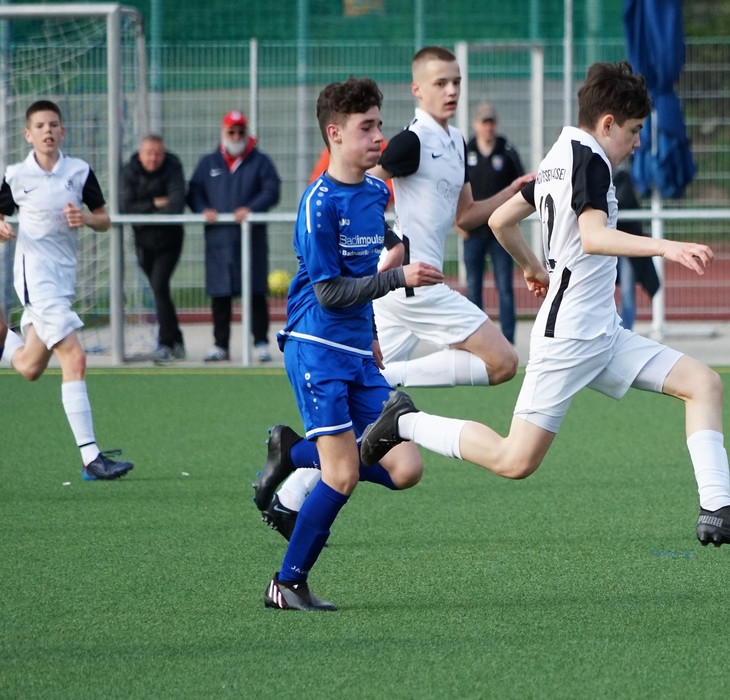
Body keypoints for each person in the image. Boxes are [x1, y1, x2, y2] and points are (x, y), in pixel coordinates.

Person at [360, 61, 730, 551]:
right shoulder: (590, 159)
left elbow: (501, 220)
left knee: (703, 383)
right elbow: (593, 236)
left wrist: (532, 266)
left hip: (601, 332)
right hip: (568, 338)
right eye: (634, 130)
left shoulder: (558, 155)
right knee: (513, 461)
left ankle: (717, 509)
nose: (637, 142)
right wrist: (665, 247)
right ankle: (404, 421)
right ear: (607, 123)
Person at [261, 77, 443, 611]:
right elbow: (331, 292)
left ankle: (293, 452)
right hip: (315, 347)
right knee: (340, 474)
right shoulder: (317, 204)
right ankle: (286, 583)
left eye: (379, 125)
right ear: (335, 134)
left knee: (406, 469)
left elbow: (367, 265)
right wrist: (399, 277)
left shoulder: (375, 193)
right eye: (366, 128)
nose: (378, 136)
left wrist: (375, 336)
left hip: (358, 350)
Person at [366, 46, 535, 389]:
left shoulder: (457, 141)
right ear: (417, 89)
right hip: (414, 283)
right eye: (441, 83)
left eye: (456, 82)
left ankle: (309, 434)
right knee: (503, 362)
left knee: (366, 389)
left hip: (403, 287)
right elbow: (358, 190)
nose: (452, 91)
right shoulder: (412, 141)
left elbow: (466, 216)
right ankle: (391, 378)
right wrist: (391, 242)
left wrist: (511, 191)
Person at [0, 100, 134, 480]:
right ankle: (91, 457)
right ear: (28, 134)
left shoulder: (79, 171)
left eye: (53, 124)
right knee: (75, 357)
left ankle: (3, 339)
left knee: (30, 367)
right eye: (40, 125)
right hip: (35, 280)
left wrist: (87, 217)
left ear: (62, 131)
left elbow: (105, 219)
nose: (48, 130)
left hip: (62, 282)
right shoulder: (15, 176)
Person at [187, 110, 281, 363]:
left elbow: (272, 190)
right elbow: (194, 191)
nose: (236, 136)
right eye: (232, 131)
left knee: (255, 293)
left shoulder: (260, 161)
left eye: (241, 131)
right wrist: (203, 209)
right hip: (218, 240)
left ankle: (261, 343)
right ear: (224, 132)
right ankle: (221, 345)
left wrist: (251, 209)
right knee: (220, 294)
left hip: (251, 240)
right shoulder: (209, 163)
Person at [460, 102, 525, 344]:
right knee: (473, 287)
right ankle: (479, 340)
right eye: (483, 123)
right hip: (472, 232)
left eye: (491, 123)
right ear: (476, 124)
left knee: (504, 286)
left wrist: (513, 221)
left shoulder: (506, 151)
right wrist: (458, 222)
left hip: (500, 234)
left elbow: (522, 189)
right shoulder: (465, 151)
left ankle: (508, 339)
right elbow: (454, 190)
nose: (488, 127)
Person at [120, 134, 187, 363]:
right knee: (160, 291)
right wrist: (154, 203)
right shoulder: (130, 171)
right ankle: (177, 340)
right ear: (140, 154)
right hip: (143, 242)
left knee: (159, 285)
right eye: (149, 153)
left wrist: (144, 214)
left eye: (158, 154)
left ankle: (165, 344)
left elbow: (176, 204)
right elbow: (125, 207)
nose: (153, 158)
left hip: (170, 241)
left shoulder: (173, 166)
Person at [612, 163, 659, 330]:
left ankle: (626, 330)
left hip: (626, 248)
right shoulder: (595, 176)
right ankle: (609, 330)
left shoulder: (623, 178)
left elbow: (621, 202)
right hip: (606, 247)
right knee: (600, 289)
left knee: (627, 290)